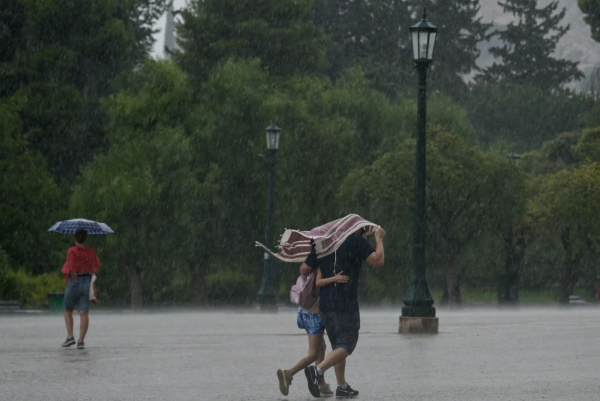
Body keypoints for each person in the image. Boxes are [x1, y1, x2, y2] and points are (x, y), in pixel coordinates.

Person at [301, 226, 385, 398]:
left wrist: (321, 264)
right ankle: (317, 371)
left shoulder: (324, 244)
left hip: (325, 305)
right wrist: (379, 238)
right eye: (363, 232)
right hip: (345, 304)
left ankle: (342, 386)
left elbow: (304, 269)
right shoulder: (356, 241)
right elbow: (378, 260)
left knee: (337, 346)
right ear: (357, 230)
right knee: (347, 344)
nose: (363, 235)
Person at [276, 264, 348, 397]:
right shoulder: (320, 262)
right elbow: (319, 282)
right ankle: (288, 373)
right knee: (314, 353)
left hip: (304, 310)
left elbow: (305, 272)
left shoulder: (308, 261)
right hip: (314, 314)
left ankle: (321, 384)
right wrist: (334, 278)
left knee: (321, 346)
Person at [60, 228, 101, 350]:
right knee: (84, 312)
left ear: (75, 238)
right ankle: (81, 340)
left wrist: (74, 276)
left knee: (68, 309)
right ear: (85, 238)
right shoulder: (91, 251)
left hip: (75, 281)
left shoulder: (72, 251)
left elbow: (71, 266)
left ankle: (70, 336)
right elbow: (96, 266)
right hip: (87, 281)